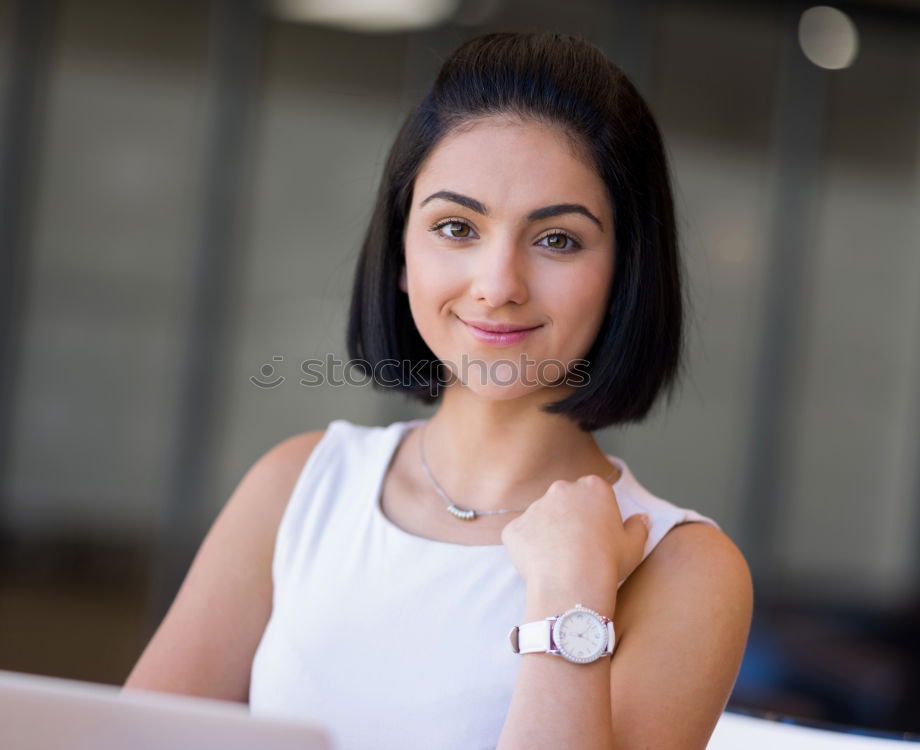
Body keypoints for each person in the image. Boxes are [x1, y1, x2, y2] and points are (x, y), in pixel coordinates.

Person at [124, 31, 753, 750]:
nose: (497, 285)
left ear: (626, 275)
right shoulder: (300, 486)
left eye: (557, 240)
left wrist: (569, 597)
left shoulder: (680, 568)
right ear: (400, 256)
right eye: (457, 227)